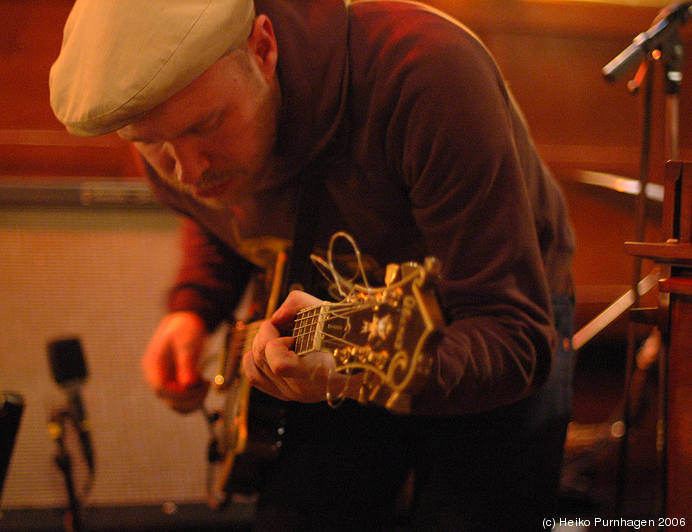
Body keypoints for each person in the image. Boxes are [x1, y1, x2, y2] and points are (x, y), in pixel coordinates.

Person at [49, 0, 576, 530]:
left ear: (263, 48)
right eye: (152, 144)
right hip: (335, 337)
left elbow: (516, 336)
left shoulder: (427, 74)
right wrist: (194, 309)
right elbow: (225, 215)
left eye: (207, 125)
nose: (187, 170)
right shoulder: (178, 144)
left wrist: (350, 377)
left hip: (488, 323)